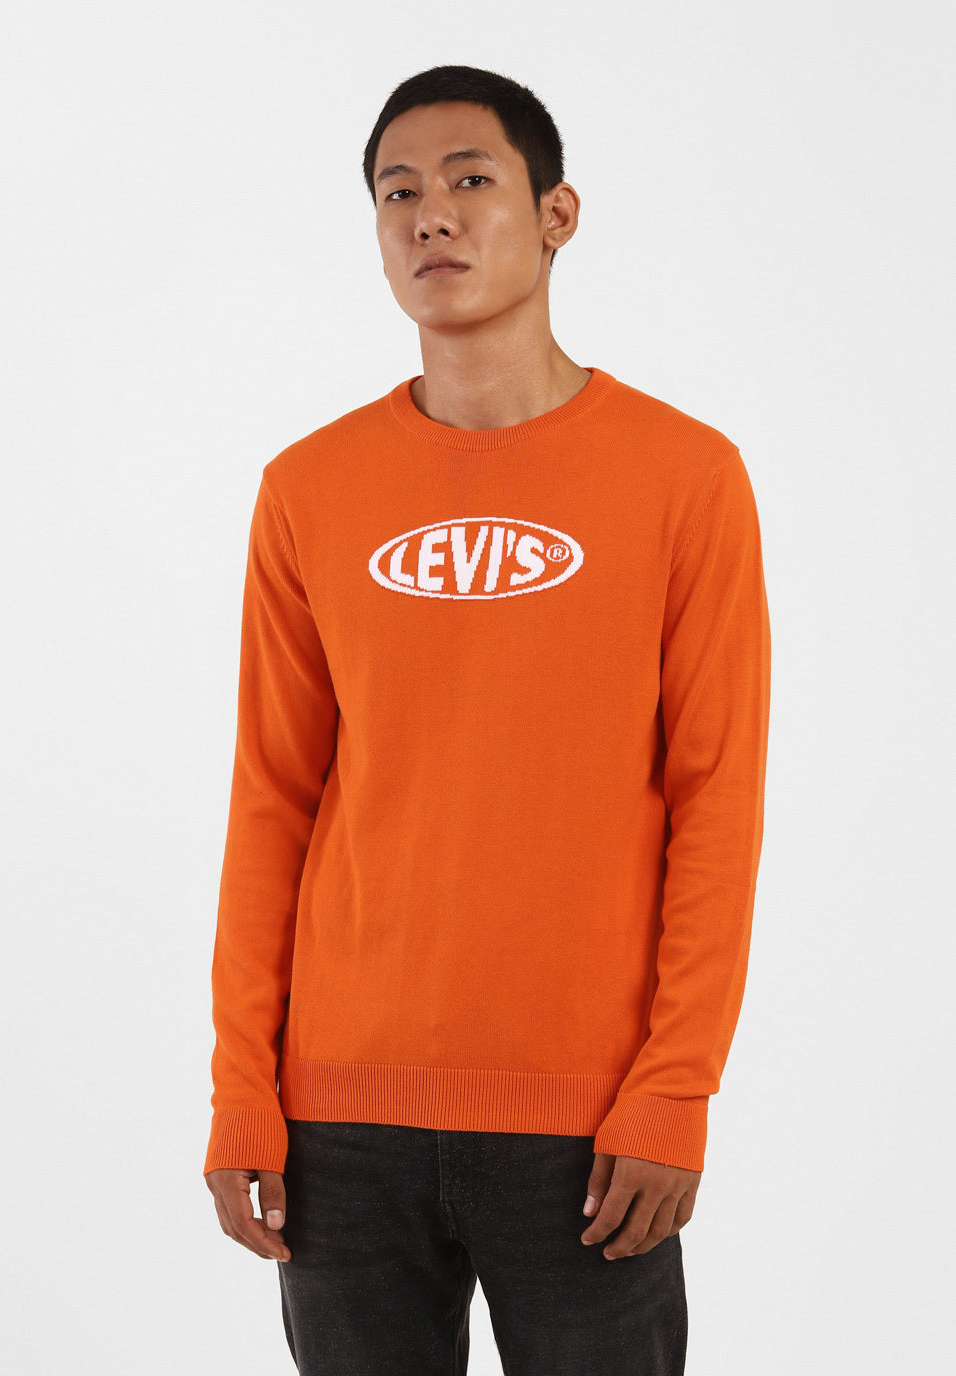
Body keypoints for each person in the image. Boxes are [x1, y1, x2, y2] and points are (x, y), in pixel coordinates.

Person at [203, 63, 771, 1376]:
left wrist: (674, 1086)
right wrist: (243, 1087)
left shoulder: (686, 477)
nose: (432, 217)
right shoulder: (308, 489)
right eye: (397, 193)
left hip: (589, 1130)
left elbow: (717, 797)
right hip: (339, 1127)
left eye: (470, 180)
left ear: (557, 213)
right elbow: (272, 798)